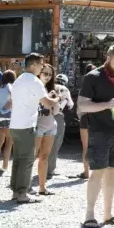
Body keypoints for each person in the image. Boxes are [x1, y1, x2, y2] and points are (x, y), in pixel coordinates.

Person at [79, 43, 114, 227]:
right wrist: (106, 105)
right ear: (108, 58)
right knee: (98, 171)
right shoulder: (92, 77)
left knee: (112, 172)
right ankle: (89, 214)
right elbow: (82, 106)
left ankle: (108, 214)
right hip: (99, 130)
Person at [10, 53, 57, 204]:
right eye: (41, 64)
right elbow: (47, 103)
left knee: (18, 159)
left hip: (15, 125)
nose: (42, 67)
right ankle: (23, 193)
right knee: (27, 160)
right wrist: (56, 98)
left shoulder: (18, 79)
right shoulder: (34, 81)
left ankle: (16, 191)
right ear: (33, 65)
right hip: (26, 125)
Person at [34, 63, 62, 196]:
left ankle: (42, 187)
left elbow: (55, 111)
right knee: (32, 156)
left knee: (44, 157)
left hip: (50, 125)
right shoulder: (36, 88)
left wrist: (54, 99)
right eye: (45, 73)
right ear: (39, 73)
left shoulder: (51, 90)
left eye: (50, 74)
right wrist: (52, 99)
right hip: (37, 125)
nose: (47, 77)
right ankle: (25, 186)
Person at [47, 73, 73, 179]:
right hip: (57, 117)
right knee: (55, 143)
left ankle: (42, 166)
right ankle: (50, 170)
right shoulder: (64, 89)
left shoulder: (49, 87)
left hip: (44, 117)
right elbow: (70, 105)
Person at [72, 62, 95, 180]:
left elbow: (79, 107)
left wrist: (80, 116)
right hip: (98, 119)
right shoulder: (100, 87)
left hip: (85, 118)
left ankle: (86, 172)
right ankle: (98, 173)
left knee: (85, 147)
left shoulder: (83, 89)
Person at [0, 70, 15, 175]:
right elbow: (12, 101)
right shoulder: (10, 87)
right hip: (7, 116)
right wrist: (6, 109)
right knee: (9, 141)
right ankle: (5, 165)